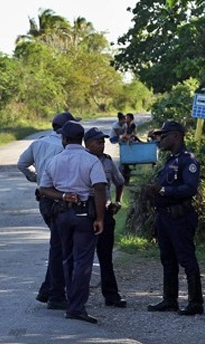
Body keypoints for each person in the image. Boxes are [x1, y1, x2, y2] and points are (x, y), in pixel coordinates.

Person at [39, 121, 108, 324]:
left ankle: (70, 300)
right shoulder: (91, 160)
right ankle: (76, 307)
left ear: (64, 139)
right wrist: (100, 218)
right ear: (81, 139)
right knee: (82, 261)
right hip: (84, 215)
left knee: (67, 259)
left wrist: (62, 195)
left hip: (61, 215)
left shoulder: (54, 161)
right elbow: (99, 188)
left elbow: (44, 189)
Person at [16, 111, 80, 310]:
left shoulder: (39, 143)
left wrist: (36, 178)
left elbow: (22, 164)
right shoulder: (66, 147)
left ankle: (48, 290)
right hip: (60, 199)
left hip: (44, 198)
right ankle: (55, 294)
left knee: (58, 244)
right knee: (61, 247)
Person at [146, 120, 204, 316]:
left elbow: (190, 188)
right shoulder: (171, 160)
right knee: (167, 259)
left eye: (164, 136)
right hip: (165, 217)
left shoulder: (188, 160)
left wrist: (163, 190)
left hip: (180, 216)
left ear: (176, 136)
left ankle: (195, 302)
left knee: (186, 258)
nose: (161, 140)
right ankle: (170, 300)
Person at [83, 127, 127, 308]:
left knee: (105, 256)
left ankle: (111, 295)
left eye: (103, 142)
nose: (102, 145)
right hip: (86, 211)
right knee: (82, 257)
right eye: (98, 142)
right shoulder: (81, 160)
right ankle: (78, 296)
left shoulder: (107, 161)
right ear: (87, 144)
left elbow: (120, 181)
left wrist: (118, 201)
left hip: (106, 210)